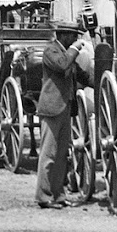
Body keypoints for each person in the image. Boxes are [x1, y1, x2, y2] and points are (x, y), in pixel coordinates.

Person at [36, 24, 90, 209]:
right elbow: (63, 65)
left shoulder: (66, 54)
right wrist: (76, 49)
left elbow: (84, 77)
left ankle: (58, 195)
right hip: (51, 109)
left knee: (61, 156)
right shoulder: (51, 51)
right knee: (48, 154)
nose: (75, 41)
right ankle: (43, 196)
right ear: (63, 36)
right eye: (73, 37)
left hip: (65, 108)